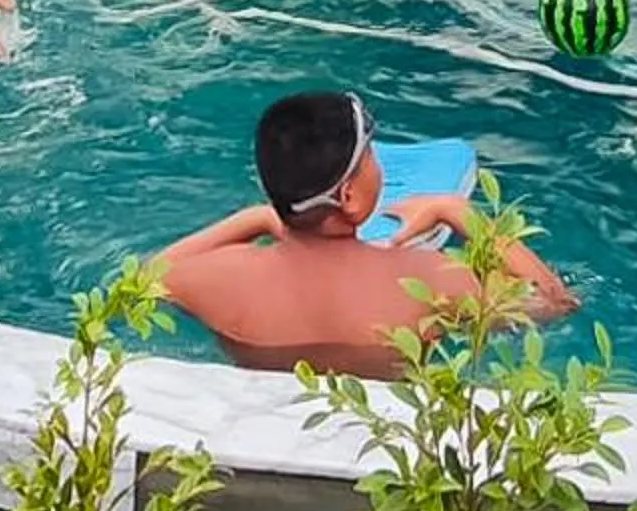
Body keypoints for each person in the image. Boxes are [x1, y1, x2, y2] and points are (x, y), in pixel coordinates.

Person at [155, 91, 575, 380]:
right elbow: (553, 301)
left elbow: (138, 282)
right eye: (370, 153)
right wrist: (455, 210)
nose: (378, 161)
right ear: (349, 196)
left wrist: (258, 219)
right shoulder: (426, 281)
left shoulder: (224, 278)